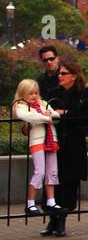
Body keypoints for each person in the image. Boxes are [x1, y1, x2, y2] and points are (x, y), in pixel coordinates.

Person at [45, 58, 88, 237]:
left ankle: (62, 221)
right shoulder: (54, 93)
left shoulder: (84, 93)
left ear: (74, 76)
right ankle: (52, 218)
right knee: (53, 181)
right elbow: (48, 114)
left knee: (69, 183)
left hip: (74, 144)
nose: (60, 76)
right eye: (59, 73)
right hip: (56, 143)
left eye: (64, 73)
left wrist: (67, 116)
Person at [13, 79, 61, 217]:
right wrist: (46, 117)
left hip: (51, 139)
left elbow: (56, 116)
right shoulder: (21, 106)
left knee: (52, 171)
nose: (34, 96)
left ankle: (51, 201)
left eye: (35, 92)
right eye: (30, 93)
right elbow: (29, 117)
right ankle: (30, 203)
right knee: (39, 171)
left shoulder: (44, 103)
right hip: (37, 141)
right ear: (23, 94)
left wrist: (49, 115)